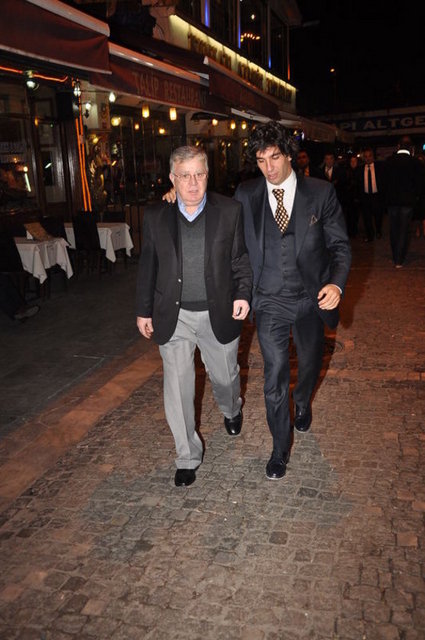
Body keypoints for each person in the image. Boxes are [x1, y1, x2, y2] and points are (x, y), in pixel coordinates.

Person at [234, 121, 351, 481]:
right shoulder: (246, 194)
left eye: (274, 157)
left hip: (310, 299)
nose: (268, 168)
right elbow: (223, 229)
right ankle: (279, 449)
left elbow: (340, 247)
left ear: (289, 154)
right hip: (269, 301)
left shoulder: (320, 193)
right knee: (274, 375)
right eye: (260, 160)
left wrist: (336, 285)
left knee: (311, 364)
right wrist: (177, 199)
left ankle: (302, 400)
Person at [136, 145, 252, 487]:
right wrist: (143, 310)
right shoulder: (156, 216)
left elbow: (240, 259)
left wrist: (243, 294)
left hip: (218, 311)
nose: (192, 183)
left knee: (225, 378)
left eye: (199, 174)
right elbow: (148, 265)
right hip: (175, 316)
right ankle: (187, 456)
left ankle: (231, 408)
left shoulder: (229, 211)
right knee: (178, 386)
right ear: (172, 178)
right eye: (184, 175)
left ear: (207, 175)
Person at [385, 136, 424, 268]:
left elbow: (384, 182)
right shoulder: (415, 163)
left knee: (393, 229)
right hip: (408, 201)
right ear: (411, 148)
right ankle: (399, 259)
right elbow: (420, 184)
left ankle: (395, 255)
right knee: (404, 230)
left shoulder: (389, 161)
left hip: (392, 201)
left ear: (398, 146)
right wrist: (415, 196)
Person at [356, 146, 386, 242]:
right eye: (366, 156)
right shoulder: (360, 169)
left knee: (378, 216)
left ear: (373, 156)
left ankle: (378, 230)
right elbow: (358, 183)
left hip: (377, 196)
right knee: (366, 217)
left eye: (370, 156)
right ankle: (370, 235)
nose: (368, 158)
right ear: (363, 158)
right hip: (365, 196)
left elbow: (384, 181)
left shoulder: (380, 167)